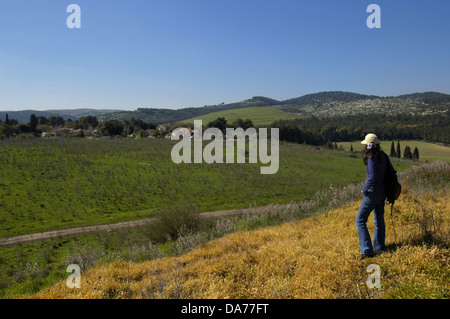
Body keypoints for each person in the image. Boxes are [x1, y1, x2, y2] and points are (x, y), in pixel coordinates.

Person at [355, 133, 394, 259]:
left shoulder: (371, 158)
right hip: (383, 192)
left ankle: (367, 250)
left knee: (360, 220)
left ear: (368, 145)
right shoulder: (383, 156)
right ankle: (379, 247)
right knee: (378, 220)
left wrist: (364, 190)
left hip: (372, 193)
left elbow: (372, 178)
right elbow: (391, 172)